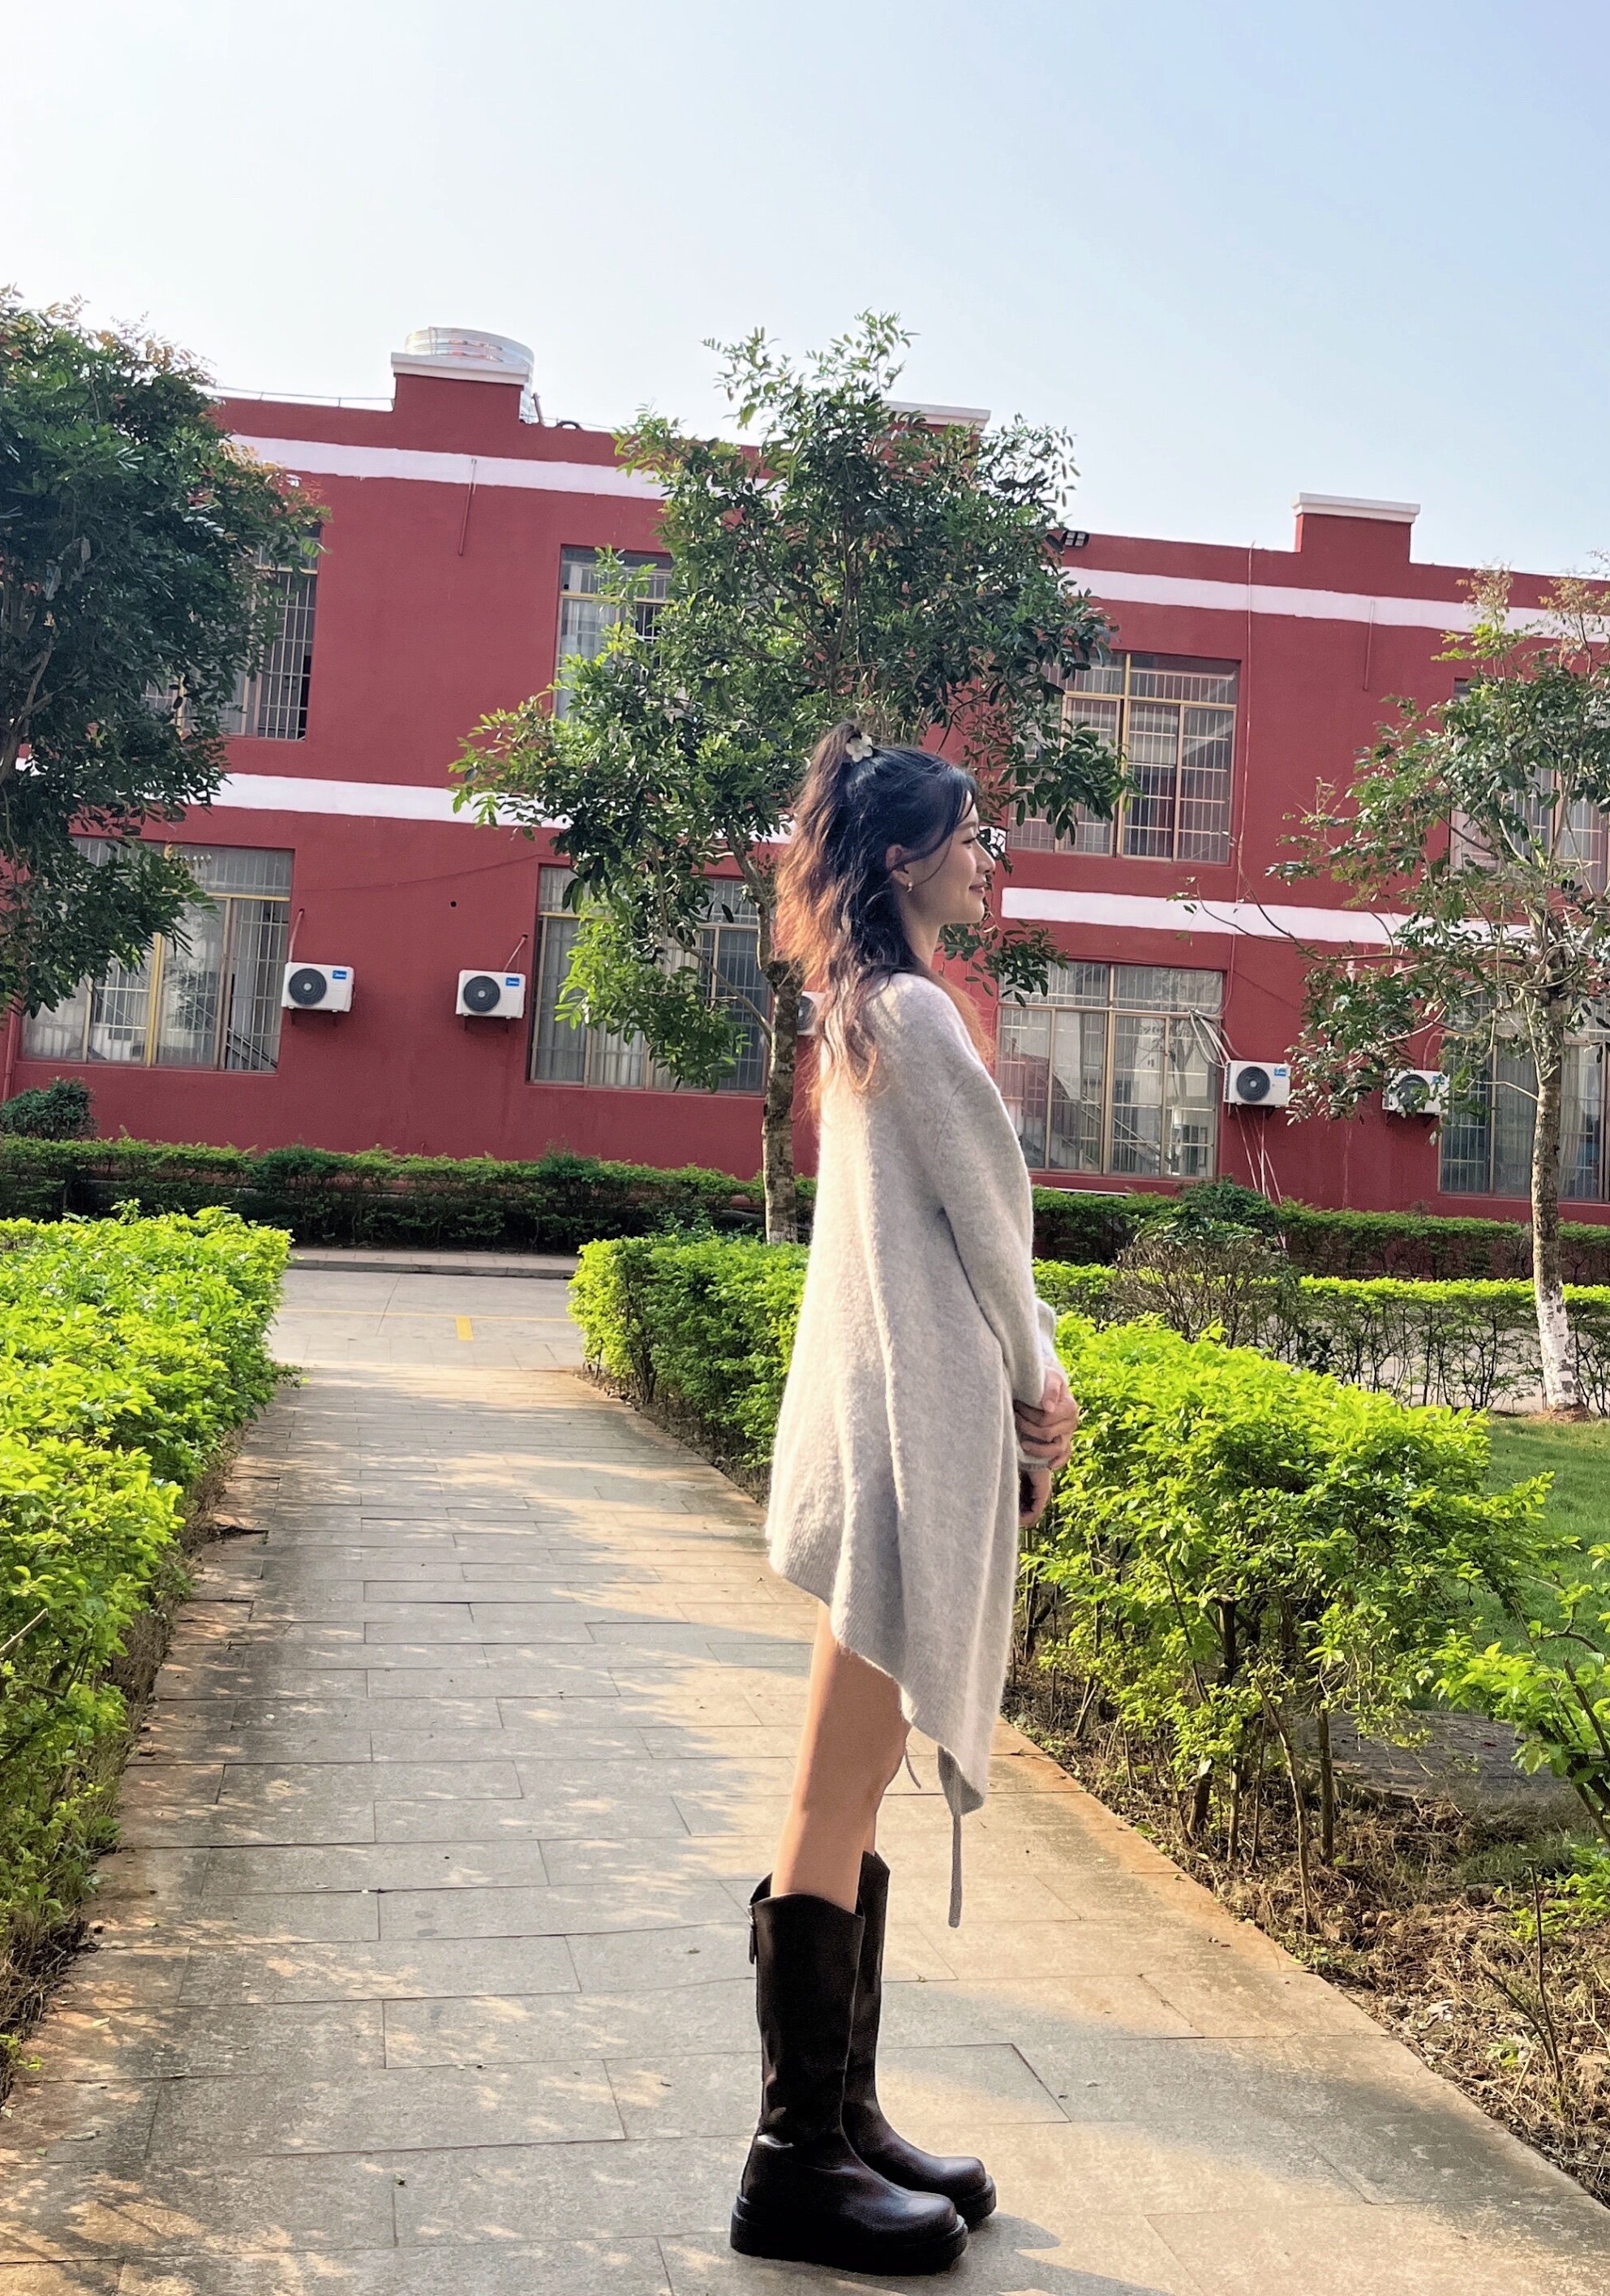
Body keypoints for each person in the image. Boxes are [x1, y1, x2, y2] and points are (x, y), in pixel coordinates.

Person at [728, 721, 1080, 2276]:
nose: (989, 856)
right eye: (971, 834)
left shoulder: (863, 1008)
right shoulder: (912, 1013)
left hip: (877, 1435)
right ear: (902, 858)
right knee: (833, 1790)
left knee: (849, 1786)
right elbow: (996, 1236)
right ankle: (792, 2159)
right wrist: (1043, 1384)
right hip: (902, 1449)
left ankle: (842, 2118)